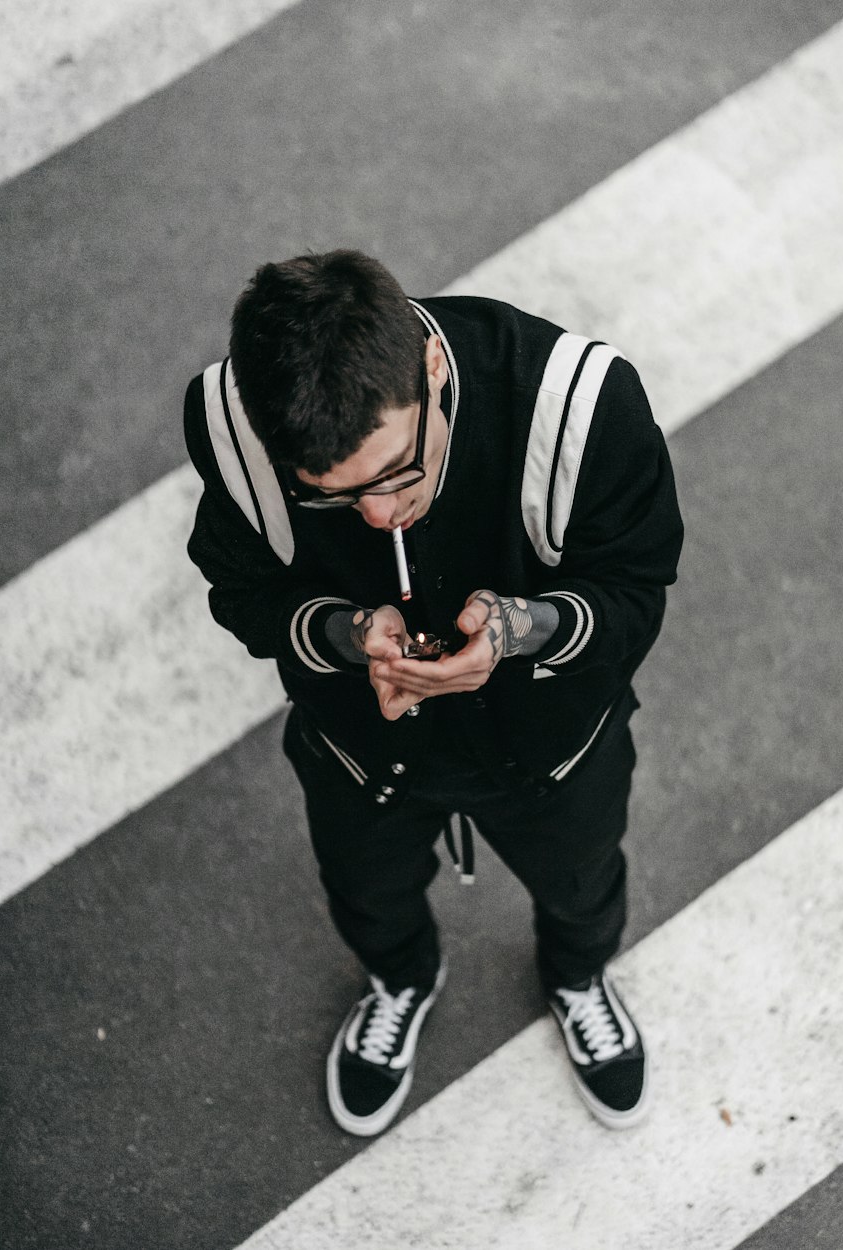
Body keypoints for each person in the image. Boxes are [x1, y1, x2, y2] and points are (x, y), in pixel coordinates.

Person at [183, 250, 683, 1137]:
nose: (380, 515)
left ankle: (576, 975)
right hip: (361, 752)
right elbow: (242, 589)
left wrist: (520, 632)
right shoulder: (232, 427)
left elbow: (637, 588)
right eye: (335, 497)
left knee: (582, 880)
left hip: (552, 751)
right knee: (365, 887)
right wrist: (343, 635)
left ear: (435, 367)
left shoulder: (581, 405)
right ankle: (402, 979)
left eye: (400, 473)